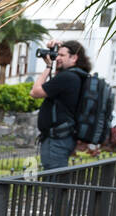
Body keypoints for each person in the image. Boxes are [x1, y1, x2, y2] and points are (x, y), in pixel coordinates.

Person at [31, 40, 92, 170]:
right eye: (57, 54)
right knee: (56, 181)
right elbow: (56, 81)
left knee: (54, 182)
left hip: (57, 140)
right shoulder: (77, 76)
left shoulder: (68, 77)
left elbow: (35, 92)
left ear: (74, 58)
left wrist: (48, 67)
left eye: (62, 55)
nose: (57, 58)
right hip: (64, 137)